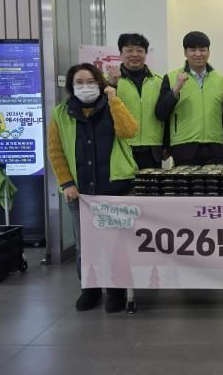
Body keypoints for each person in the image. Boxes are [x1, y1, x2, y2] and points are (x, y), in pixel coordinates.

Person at [47, 63, 138, 313]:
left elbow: (129, 131)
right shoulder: (60, 113)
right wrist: (66, 183)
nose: (85, 87)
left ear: (100, 82)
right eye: (79, 82)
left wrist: (114, 100)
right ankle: (90, 289)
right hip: (80, 193)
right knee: (85, 246)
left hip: (114, 188)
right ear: (71, 86)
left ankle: (116, 291)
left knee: (116, 244)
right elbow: (55, 151)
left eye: (90, 81)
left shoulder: (112, 105)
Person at [155, 31, 223, 165]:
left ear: (208, 52)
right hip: (183, 147)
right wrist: (176, 88)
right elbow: (161, 114)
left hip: (214, 147)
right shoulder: (171, 78)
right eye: (193, 50)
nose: (198, 54)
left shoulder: (220, 80)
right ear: (185, 52)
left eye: (202, 50)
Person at [107, 33, 165, 168]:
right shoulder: (108, 81)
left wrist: (166, 144)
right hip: (121, 146)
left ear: (146, 53)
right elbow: (102, 111)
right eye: (129, 50)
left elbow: (166, 115)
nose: (135, 54)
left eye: (139, 50)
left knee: (151, 182)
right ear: (120, 54)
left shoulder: (159, 81)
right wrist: (112, 84)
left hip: (152, 149)